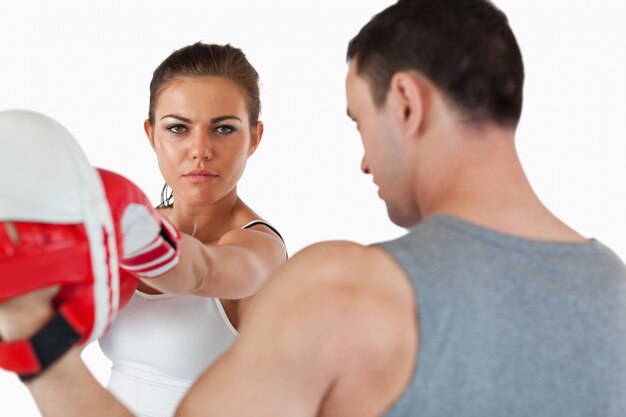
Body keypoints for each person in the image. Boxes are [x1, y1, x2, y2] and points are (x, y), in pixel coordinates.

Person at [1, 0, 626, 416]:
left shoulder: (337, 287)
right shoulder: (615, 294)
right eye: (177, 128)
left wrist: (38, 343)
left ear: (405, 102)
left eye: (360, 122)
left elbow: (201, 271)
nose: (362, 162)